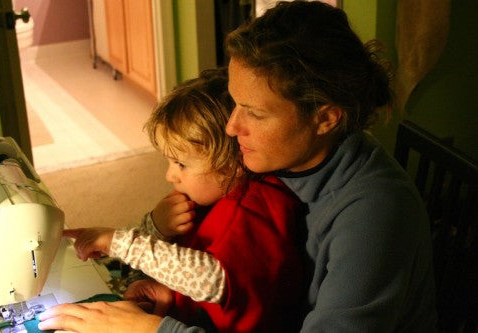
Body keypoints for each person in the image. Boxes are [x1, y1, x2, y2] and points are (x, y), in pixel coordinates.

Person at [39, 1, 438, 332]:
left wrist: (153, 331)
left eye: (255, 114)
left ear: (325, 118)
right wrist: (175, 296)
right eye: (234, 103)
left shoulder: (375, 215)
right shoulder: (274, 161)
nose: (231, 126)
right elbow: (244, 273)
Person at [39, 68, 305, 332]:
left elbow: (209, 280)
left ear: (233, 163)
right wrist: (159, 242)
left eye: (181, 164)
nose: (170, 175)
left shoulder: (258, 207)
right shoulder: (208, 199)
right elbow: (186, 266)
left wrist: (119, 243)